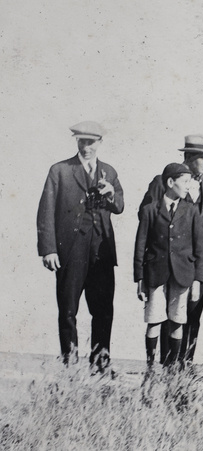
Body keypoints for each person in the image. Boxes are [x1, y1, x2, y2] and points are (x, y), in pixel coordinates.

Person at [37, 121, 124, 373]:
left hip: (101, 252)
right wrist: (49, 249)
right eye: (82, 142)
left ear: (100, 143)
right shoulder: (60, 170)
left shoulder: (109, 171)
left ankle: (100, 364)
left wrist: (110, 194)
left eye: (91, 142)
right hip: (70, 250)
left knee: (104, 310)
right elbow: (45, 211)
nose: (86, 147)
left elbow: (119, 206)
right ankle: (70, 365)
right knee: (67, 309)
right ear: (76, 141)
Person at [138, 134, 203, 368]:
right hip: (166, 261)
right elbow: (146, 216)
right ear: (188, 157)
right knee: (166, 313)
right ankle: (166, 364)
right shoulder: (161, 181)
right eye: (202, 158)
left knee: (192, 314)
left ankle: (186, 365)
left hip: (196, 260)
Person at [134, 163, 203, 370]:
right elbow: (140, 245)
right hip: (156, 274)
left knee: (177, 320)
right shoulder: (150, 210)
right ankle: (150, 365)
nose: (188, 187)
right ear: (170, 183)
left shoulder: (191, 211)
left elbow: (199, 247)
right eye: (185, 182)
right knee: (154, 320)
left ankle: (172, 365)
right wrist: (139, 278)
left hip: (182, 274)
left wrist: (198, 280)